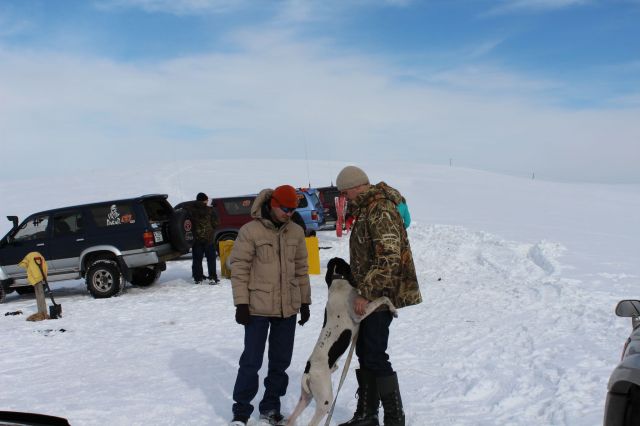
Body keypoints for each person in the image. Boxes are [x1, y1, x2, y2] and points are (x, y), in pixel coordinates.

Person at [335, 166, 422, 426]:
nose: (344, 198)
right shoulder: (366, 208)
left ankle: (394, 418)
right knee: (365, 351)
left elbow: (389, 258)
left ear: (356, 186)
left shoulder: (380, 209)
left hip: (381, 296)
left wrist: (367, 293)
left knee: (374, 354)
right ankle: (367, 414)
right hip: (370, 294)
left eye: (345, 192)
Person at [229, 184, 312, 426]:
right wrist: (241, 303)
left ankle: (270, 407)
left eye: (293, 209)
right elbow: (240, 269)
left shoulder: (295, 231)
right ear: (273, 205)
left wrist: (305, 301)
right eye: (286, 209)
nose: (289, 213)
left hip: (287, 308)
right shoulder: (250, 231)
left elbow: (301, 269)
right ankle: (241, 411)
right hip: (257, 307)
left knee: (280, 363)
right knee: (251, 361)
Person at [185, 192, 219, 285]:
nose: (207, 201)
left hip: (196, 240)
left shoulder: (190, 210)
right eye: (206, 199)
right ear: (204, 200)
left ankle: (198, 278)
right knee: (211, 259)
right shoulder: (210, 210)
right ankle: (212, 277)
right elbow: (216, 224)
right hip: (209, 239)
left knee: (197, 259)